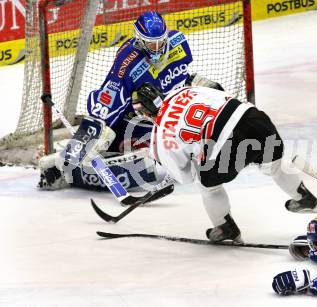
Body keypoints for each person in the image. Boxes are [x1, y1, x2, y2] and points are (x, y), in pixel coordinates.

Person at [38, 11, 222, 191]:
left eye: (160, 42)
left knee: (202, 123)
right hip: (133, 123)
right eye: (151, 44)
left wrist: (202, 87)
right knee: (145, 127)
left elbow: (183, 78)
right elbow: (107, 101)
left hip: (169, 117)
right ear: (140, 41)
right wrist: (87, 142)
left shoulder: (178, 42)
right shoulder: (128, 62)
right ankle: (59, 165)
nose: (157, 49)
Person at [131, 82, 317, 242]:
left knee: (207, 185)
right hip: (253, 117)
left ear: (146, 114)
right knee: (275, 164)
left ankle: (225, 228)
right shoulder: (183, 90)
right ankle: (305, 199)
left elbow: (185, 177)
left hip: (227, 140)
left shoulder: (160, 134)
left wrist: (195, 158)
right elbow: (219, 91)